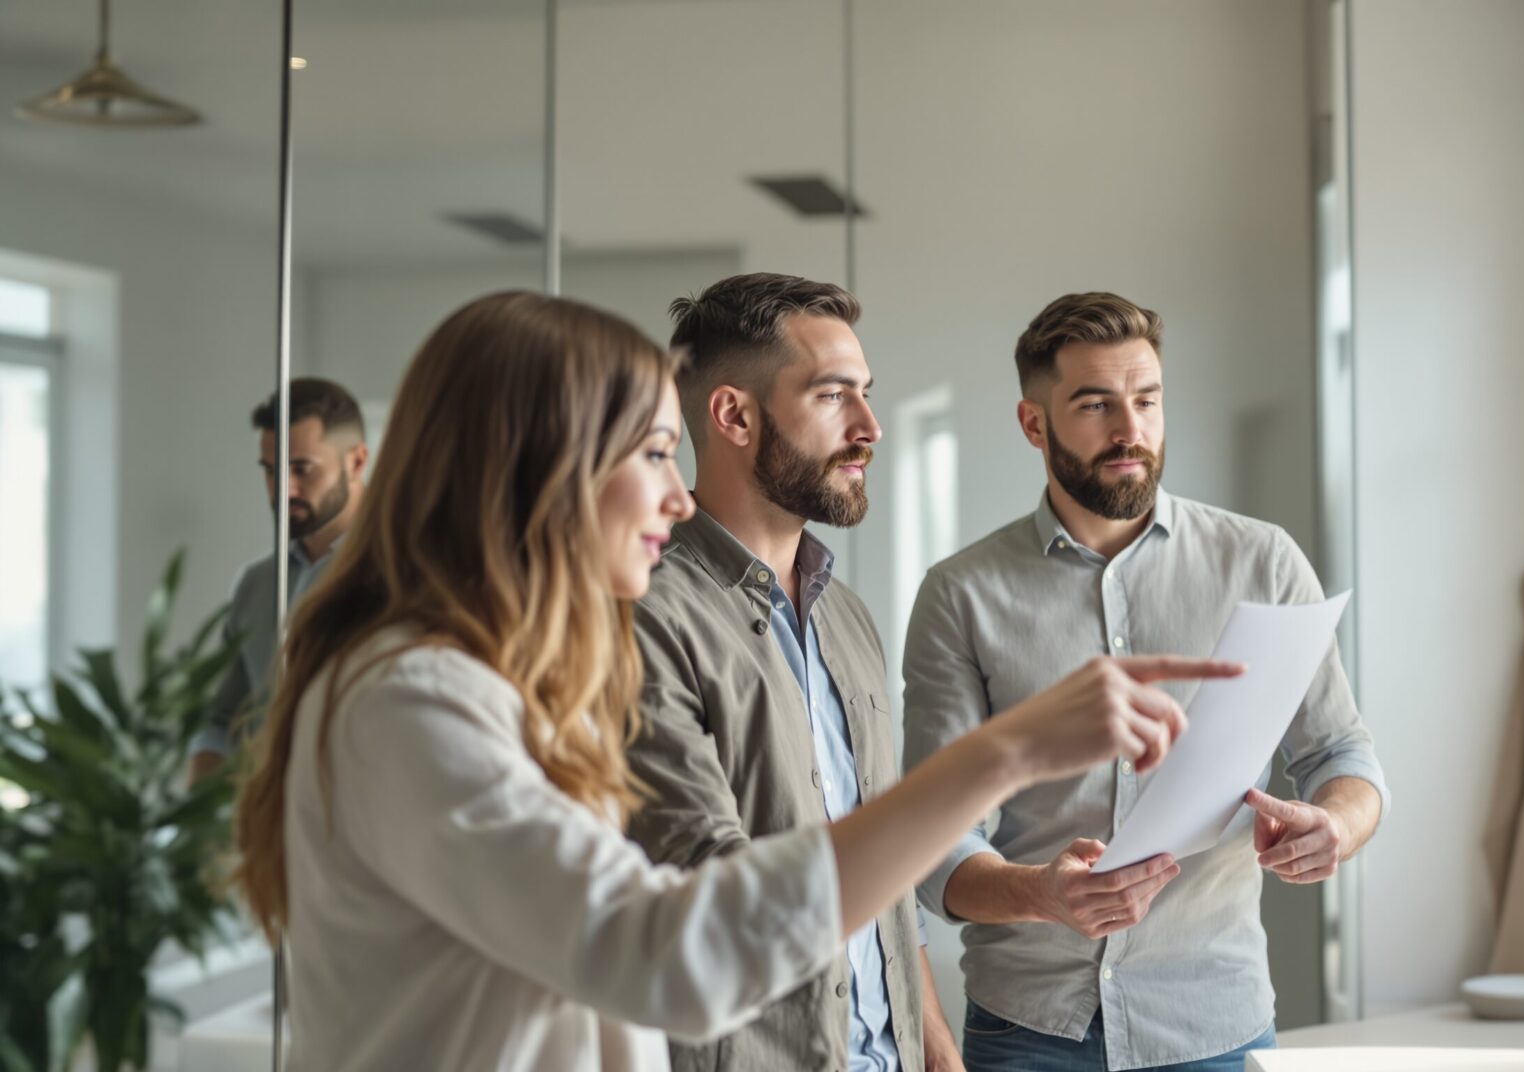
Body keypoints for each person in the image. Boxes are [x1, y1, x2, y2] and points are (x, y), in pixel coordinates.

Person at [232, 290, 1235, 1071]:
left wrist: (923, 1016)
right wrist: (1002, 752)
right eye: (657, 452)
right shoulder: (410, 702)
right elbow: (672, 948)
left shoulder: (490, 685)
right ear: (542, 467)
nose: (677, 490)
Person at [903, 292, 1389, 1072]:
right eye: (1096, 405)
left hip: (1212, 1025)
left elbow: (1343, 755)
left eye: (1147, 400)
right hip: (1028, 1035)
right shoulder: (960, 595)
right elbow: (931, 851)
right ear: (1035, 424)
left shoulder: (1262, 562)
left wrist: (1337, 824)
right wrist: (1043, 895)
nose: (1131, 431)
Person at [627, 273, 957, 1072]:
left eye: (866, 395)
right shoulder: (647, 618)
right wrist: (1001, 760)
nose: (870, 426)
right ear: (735, 415)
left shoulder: (849, 619)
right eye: (833, 396)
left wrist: (937, 1047)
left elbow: (884, 871)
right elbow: (712, 883)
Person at [188, 378, 367, 785]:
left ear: (356, 462)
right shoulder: (256, 584)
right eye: (270, 470)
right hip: (268, 830)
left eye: (301, 468)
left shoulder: (404, 570)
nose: (282, 489)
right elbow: (220, 720)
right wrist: (195, 833)